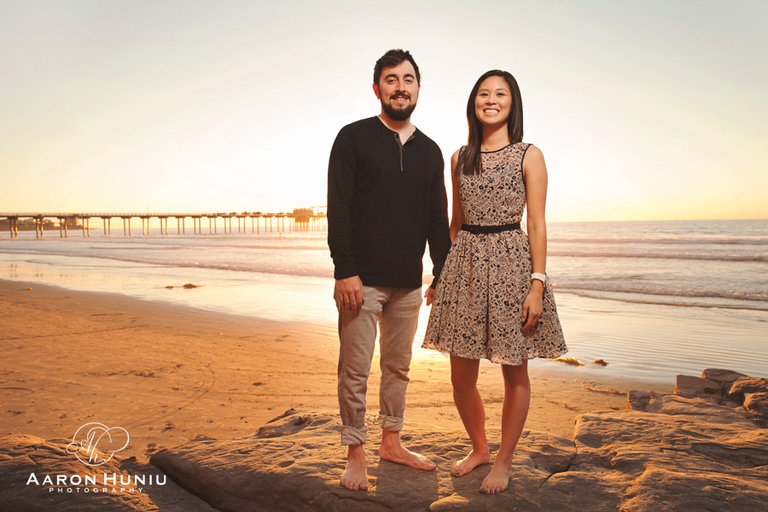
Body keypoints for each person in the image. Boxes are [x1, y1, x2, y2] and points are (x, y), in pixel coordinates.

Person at [422, 70, 567, 494]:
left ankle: (504, 460)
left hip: (511, 266)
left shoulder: (529, 154)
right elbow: (455, 223)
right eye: (483, 93)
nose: (491, 99)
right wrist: (440, 276)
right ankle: (480, 449)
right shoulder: (460, 157)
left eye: (500, 93)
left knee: (514, 372)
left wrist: (537, 285)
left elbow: (537, 224)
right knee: (460, 376)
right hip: (464, 266)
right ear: (473, 103)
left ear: (512, 102)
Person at [327, 49, 451, 491]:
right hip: (361, 281)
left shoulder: (431, 150)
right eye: (392, 79)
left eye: (409, 79)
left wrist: (443, 273)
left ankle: (391, 441)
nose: (401, 87)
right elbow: (338, 208)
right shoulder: (353, 138)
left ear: (418, 88)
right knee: (355, 369)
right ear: (377, 88)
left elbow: (437, 217)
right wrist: (345, 270)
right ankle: (355, 452)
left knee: (398, 368)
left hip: (408, 284)